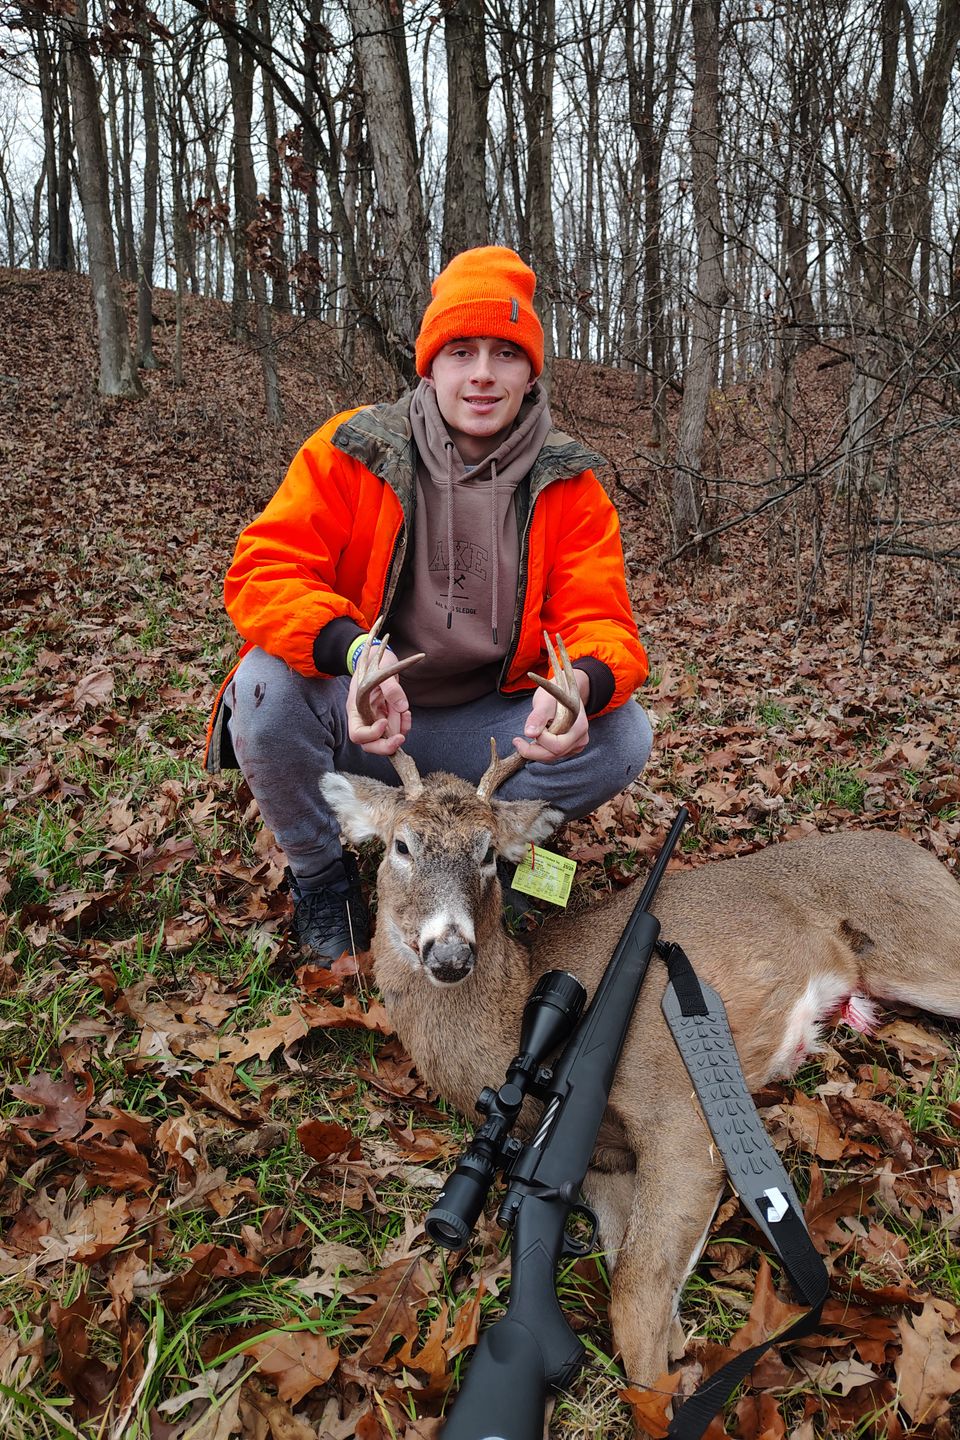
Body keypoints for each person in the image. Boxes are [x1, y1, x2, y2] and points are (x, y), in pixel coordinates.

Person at [205, 246, 653, 962]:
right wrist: (354, 654)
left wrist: (580, 686)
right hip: (371, 719)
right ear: (431, 364)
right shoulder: (354, 450)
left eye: (506, 353)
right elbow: (263, 571)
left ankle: (483, 865)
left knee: (622, 733)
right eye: (461, 351)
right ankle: (322, 880)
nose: (482, 374)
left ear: (530, 370)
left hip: (487, 733)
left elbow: (604, 624)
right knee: (263, 690)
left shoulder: (568, 484)